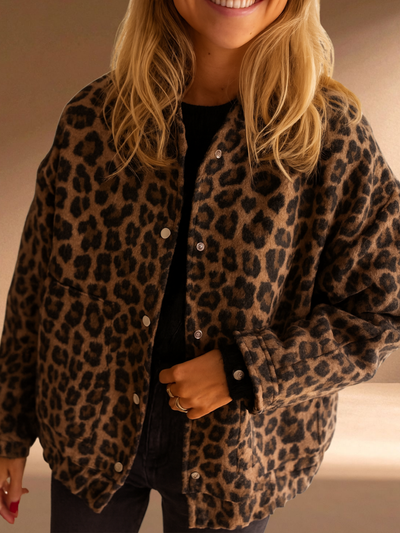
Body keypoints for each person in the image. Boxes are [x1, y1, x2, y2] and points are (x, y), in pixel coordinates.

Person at [1, 0, 400, 531]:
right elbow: (36, 284)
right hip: (87, 435)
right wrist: (8, 429)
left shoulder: (331, 137)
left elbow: (382, 311)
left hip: (232, 460)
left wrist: (245, 370)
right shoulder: (93, 119)